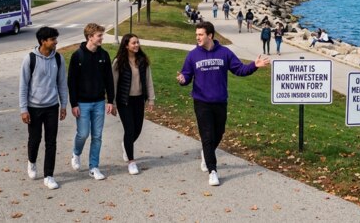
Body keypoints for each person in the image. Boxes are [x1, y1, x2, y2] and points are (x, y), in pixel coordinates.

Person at [176, 22, 270, 186]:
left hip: (219, 101)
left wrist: (254, 65)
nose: (197, 37)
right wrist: (183, 80)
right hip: (201, 101)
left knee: (218, 133)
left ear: (210, 35)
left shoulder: (224, 53)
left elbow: (239, 69)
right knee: (207, 135)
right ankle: (213, 171)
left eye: (201, 34)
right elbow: (186, 75)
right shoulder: (192, 55)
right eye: (196, 34)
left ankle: (207, 154)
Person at [19, 26, 68, 189]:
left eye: (55, 39)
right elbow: (23, 86)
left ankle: (49, 175)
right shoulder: (30, 59)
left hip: (52, 107)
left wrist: (63, 105)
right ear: (43, 41)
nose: (56, 42)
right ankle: (31, 161)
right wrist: (23, 109)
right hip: (34, 107)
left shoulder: (59, 59)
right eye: (53, 39)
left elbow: (62, 83)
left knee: (51, 142)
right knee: (35, 139)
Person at [68, 23, 115, 181]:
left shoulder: (104, 55)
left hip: (99, 102)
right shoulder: (77, 56)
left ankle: (94, 167)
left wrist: (111, 100)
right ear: (90, 37)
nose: (102, 38)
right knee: (83, 134)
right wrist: (73, 103)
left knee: (97, 136)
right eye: (99, 35)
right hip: (82, 103)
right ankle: (76, 152)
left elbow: (109, 79)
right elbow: (71, 82)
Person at [112, 34, 156, 176]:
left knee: (137, 129)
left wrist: (151, 99)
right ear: (126, 45)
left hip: (139, 100)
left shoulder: (143, 61)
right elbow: (113, 83)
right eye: (133, 43)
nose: (136, 45)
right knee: (130, 129)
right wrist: (111, 102)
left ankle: (126, 144)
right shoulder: (119, 62)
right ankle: (131, 162)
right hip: (124, 101)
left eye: (137, 42)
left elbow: (148, 80)